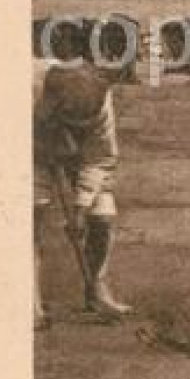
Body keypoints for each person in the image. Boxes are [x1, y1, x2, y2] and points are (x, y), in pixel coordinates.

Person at [34, 52, 132, 319]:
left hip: (84, 154)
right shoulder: (25, 86)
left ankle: (96, 289)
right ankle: (31, 301)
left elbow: (100, 158)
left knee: (102, 215)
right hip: (32, 148)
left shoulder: (100, 99)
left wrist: (80, 209)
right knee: (33, 214)